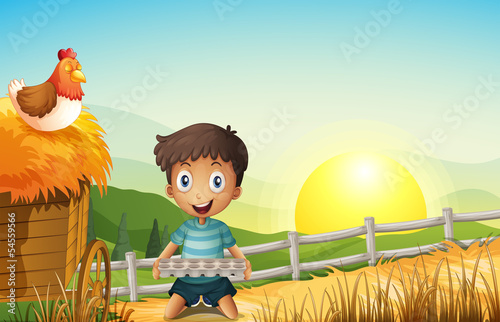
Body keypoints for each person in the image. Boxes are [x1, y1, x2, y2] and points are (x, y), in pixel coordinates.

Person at [152, 123, 252, 319]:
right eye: (185, 181)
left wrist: (245, 263)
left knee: (232, 315)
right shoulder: (186, 228)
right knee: (169, 314)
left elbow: (233, 249)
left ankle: (209, 300)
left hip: (216, 281)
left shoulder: (220, 228)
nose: (200, 195)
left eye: (217, 182)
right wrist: (159, 262)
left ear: (235, 191)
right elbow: (171, 247)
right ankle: (193, 300)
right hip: (187, 281)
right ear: (171, 190)